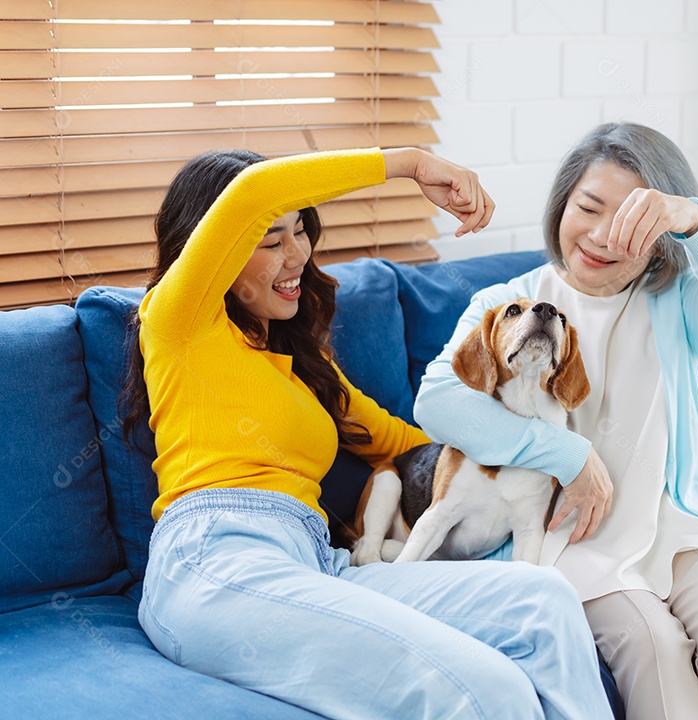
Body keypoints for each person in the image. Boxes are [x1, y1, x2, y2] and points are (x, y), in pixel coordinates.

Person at [120, 146, 614, 720]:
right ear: (212, 251)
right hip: (217, 561)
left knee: (544, 601)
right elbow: (251, 192)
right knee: (486, 690)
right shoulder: (176, 321)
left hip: (317, 563)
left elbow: (416, 444)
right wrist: (410, 163)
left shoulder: (305, 370)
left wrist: (559, 452)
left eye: (301, 232)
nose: (298, 255)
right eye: (271, 240)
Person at [415, 123, 698, 720]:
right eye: (587, 208)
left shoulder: (677, 304)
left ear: (660, 235)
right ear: (562, 204)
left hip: (674, 518)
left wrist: (694, 218)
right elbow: (436, 403)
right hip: (568, 536)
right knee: (653, 647)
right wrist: (568, 456)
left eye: (629, 224)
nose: (598, 237)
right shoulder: (508, 303)